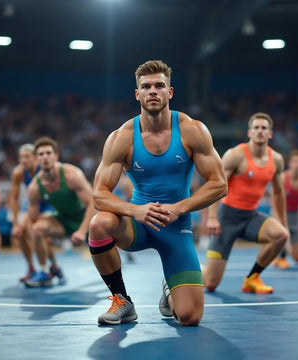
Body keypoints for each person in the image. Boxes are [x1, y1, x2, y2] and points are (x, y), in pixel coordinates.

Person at [88, 60, 227, 326]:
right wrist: (135, 210)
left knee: (189, 318)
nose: (153, 91)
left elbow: (219, 183)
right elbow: (99, 195)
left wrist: (180, 208)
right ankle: (122, 301)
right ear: (137, 94)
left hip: (177, 227)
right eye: (147, 86)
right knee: (99, 224)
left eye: (159, 86)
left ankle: (170, 288)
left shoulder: (192, 130)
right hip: (139, 224)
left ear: (170, 92)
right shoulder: (121, 137)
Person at [202, 112, 289, 294]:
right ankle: (190, 271)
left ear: (270, 134)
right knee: (210, 283)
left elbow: (279, 192)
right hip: (226, 219)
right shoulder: (235, 155)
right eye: (256, 128)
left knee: (281, 235)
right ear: (249, 132)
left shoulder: (277, 160)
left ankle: (252, 279)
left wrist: (283, 222)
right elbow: (215, 185)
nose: (259, 131)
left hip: (250, 217)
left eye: (264, 128)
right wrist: (212, 217)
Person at [25, 136, 96, 287]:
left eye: (48, 153)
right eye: (41, 154)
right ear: (37, 159)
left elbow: (93, 203)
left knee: (113, 241)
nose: (45, 157)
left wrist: (82, 231)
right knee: (37, 229)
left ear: (56, 156)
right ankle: (46, 272)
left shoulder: (72, 175)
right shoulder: (35, 187)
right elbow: (33, 220)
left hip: (85, 218)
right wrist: (43, 240)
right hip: (62, 220)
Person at [10, 143, 60, 282]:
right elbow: (13, 198)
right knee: (20, 233)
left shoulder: (44, 169)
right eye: (21, 157)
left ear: (35, 158)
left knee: (40, 235)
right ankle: (31, 268)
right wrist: (15, 223)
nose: (23, 160)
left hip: (48, 204)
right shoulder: (18, 173)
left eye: (27, 157)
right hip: (32, 205)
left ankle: (54, 266)